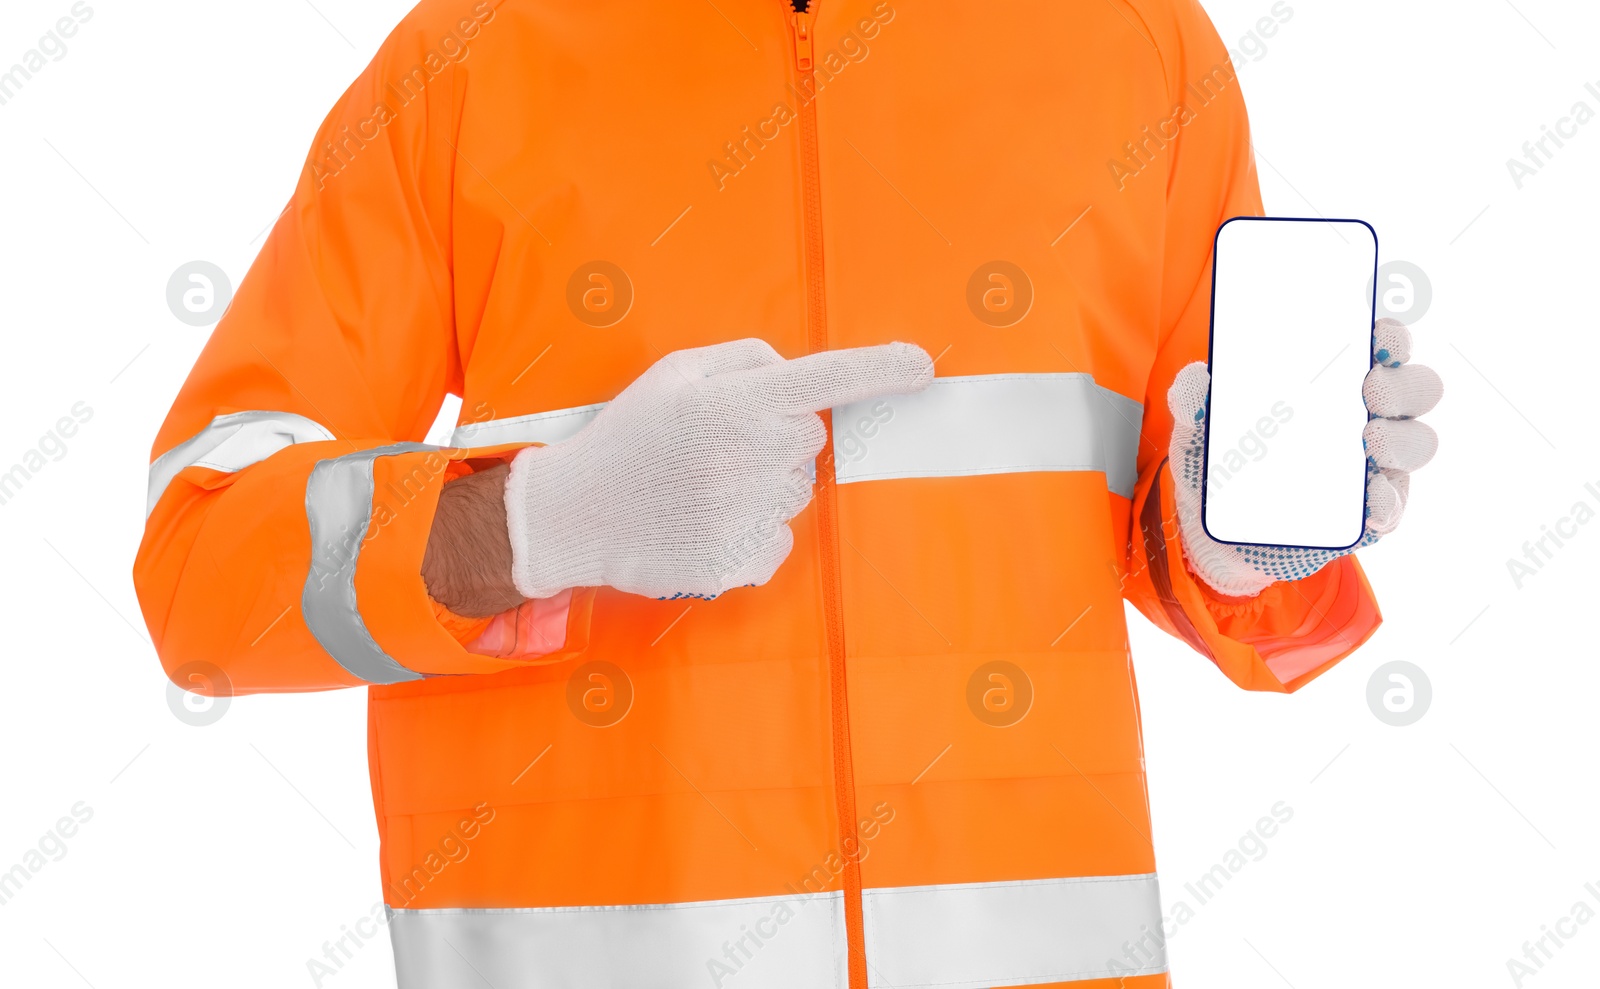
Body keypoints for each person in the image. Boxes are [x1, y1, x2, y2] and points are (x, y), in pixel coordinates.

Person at [133, 1, 1441, 986]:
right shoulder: (475, 58)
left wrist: (1232, 551)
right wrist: (536, 519)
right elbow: (203, 570)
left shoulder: (1133, 46)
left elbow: (1183, 531)